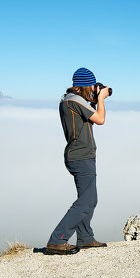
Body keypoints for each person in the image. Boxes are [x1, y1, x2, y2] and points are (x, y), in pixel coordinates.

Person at [45, 67, 110, 255]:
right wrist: (100, 99)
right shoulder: (74, 101)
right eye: (91, 85)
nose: (93, 88)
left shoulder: (70, 100)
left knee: (87, 199)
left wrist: (94, 97)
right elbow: (100, 119)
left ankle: (85, 238)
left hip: (79, 155)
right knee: (87, 201)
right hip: (81, 156)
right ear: (82, 85)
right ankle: (57, 240)